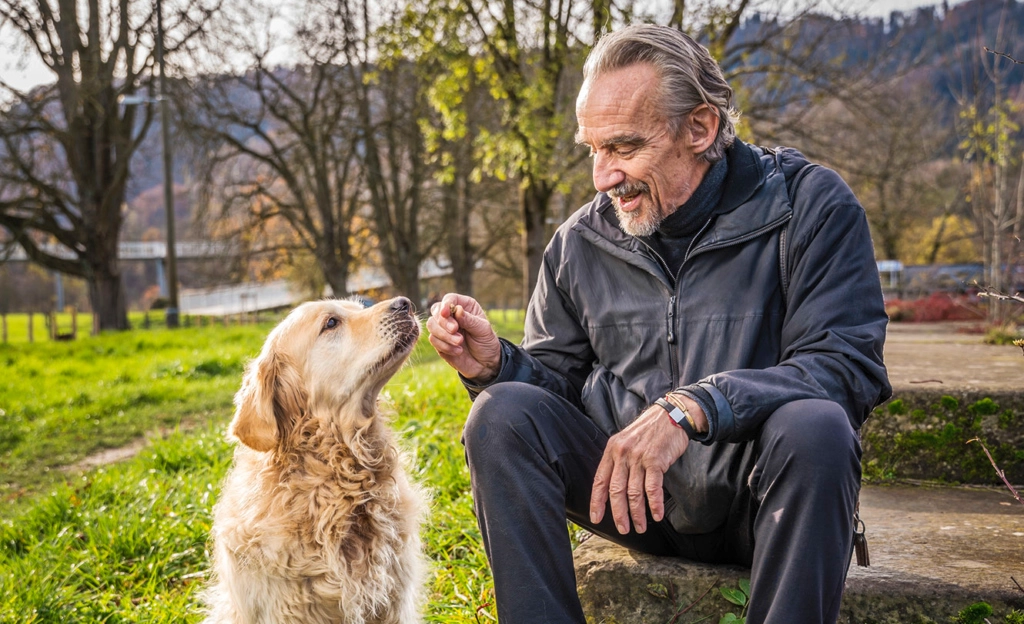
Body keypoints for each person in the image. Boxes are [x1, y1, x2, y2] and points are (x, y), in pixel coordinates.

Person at [426, 23, 891, 624]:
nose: (603, 177)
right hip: (632, 505)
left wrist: (694, 407)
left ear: (699, 128)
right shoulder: (579, 243)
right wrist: (497, 366)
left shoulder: (810, 207)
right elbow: (558, 392)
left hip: (765, 504)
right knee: (501, 413)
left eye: (623, 147)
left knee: (818, 426)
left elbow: (845, 367)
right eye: (593, 150)